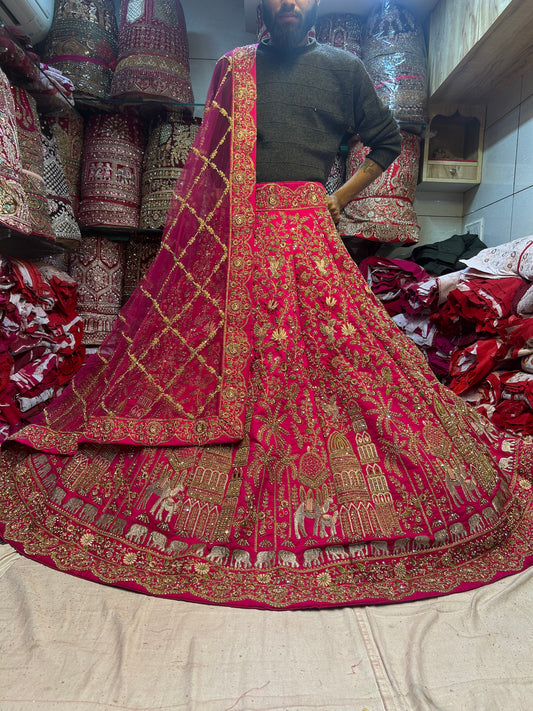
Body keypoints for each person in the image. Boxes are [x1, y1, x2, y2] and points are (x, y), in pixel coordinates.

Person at [0, 0, 532, 610]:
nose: (288, 3)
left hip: (309, 230)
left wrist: (336, 201)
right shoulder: (233, 67)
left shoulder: (342, 69)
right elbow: (211, 167)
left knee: (344, 353)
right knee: (222, 343)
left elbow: (385, 143)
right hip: (237, 232)